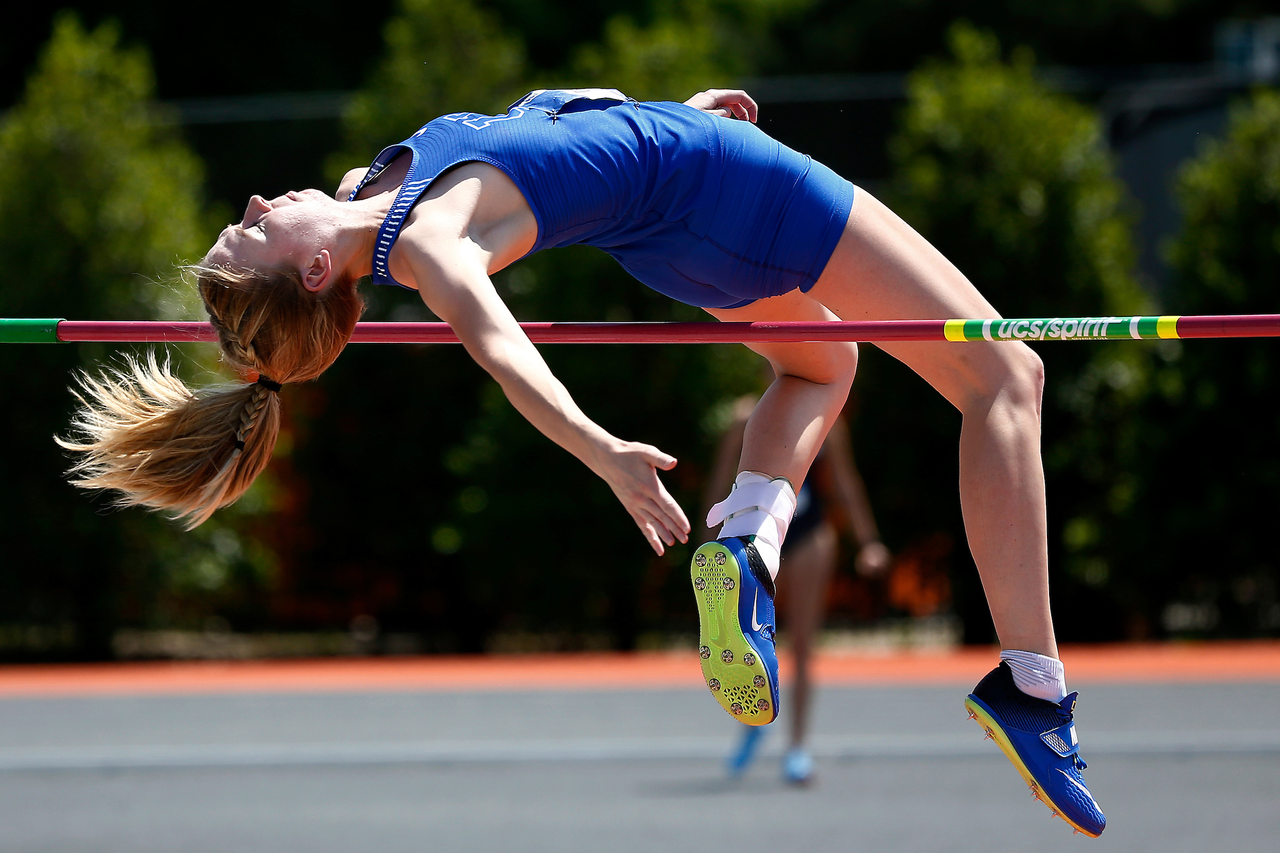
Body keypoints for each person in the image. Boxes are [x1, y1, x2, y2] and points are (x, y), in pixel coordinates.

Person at [58, 87, 1104, 836]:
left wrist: (673, 109)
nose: (247, 209)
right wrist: (603, 452)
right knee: (1004, 374)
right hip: (719, 189)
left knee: (822, 369)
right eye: (251, 235)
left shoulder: (365, 182)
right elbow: (506, 352)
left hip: (677, 219)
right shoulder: (426, 241)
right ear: (316, 266)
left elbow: (545, 124)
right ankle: (1034, 685)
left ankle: (745, 538)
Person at [708, 396, 890, 785]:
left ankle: (797, 748)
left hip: (807, 535)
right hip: (754, 535)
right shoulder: (743, 415)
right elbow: (721, 481)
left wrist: (868, 541)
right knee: (747, 636)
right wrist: (710, 545)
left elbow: (846, 482)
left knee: (803, 645)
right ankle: (754, 717)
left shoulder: (826, 415)